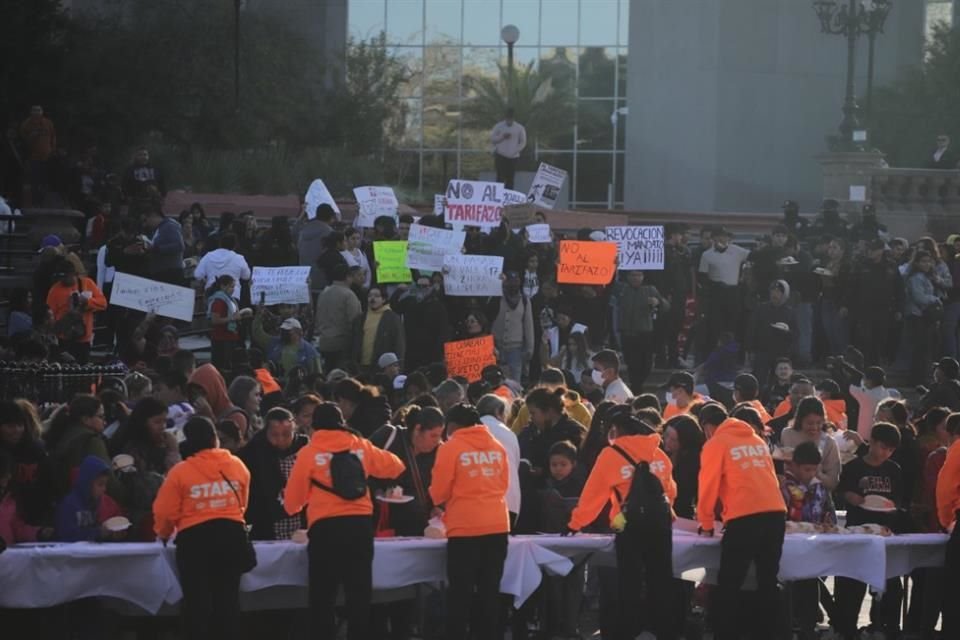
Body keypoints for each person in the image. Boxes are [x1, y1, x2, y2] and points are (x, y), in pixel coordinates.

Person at [283, 402, 405, 640]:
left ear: (315, 426)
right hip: (360, 527)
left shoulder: (309, 453)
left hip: (325, 529)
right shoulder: (360, 446)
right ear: (342, 423)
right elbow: (396, 466)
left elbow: (292, 503)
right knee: (359, 596)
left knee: (322, 598)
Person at [568, 413, 678, 640]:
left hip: (628, 524)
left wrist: (576, 523)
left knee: (630, 581)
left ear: (617, 431)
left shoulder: (610, 455)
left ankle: (629, 630)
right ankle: (665, 630)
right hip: (661, 523)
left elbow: (593, 495)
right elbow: (670, 491)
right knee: (661, 578)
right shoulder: (659, 454)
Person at [153, 416, 252, 640]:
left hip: (196, 542)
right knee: (228, 603)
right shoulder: (237, 465)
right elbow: (242, 503)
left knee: (197, 605)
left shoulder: (180, 472)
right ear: (214, 438)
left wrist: (164, 533)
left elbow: (165, 512)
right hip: (232, 536)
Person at [697, 416, 786, 640]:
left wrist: (706, 523)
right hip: (776, 513)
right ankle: (770, 634)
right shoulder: (757, 441)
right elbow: (771, 479)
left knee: (729, 582)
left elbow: (707, 485)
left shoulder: (716, 443)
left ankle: (725, 634)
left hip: (745, 517)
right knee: (768, 580)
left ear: (709, 428)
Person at [429, 403, 510, 640]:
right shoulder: (497, 446)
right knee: (489, 592)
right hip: (497, 525)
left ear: (452, 425)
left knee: (460, 595)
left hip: (464, 528)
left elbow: (439, 492)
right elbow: (503, 485)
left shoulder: (450, 447)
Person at [834, 423, 904, 639]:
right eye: (882, 447)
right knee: (852, 584)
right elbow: (841, 491)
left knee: (891, 584)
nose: (885, 453)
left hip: (884, 533)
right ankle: (846, 629)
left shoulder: (894, 470)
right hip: (858, 530)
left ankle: (886, 627)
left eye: (890, 450)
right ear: (871, 442)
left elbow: (900, 500)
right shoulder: (854, 467)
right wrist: (850, 496)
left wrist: (893, 505)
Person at [780, 441, 837, 640]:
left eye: (814, 469)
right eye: (806, 469)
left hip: (813, 545)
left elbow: (829, 512)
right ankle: (790, 625)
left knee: (811, 582)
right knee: (790, 587)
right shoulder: (784, 486)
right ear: (793, 466)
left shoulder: (820, 487)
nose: (810, 473)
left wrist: (828, 521)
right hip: (789, 547)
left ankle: (808, 625)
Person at [238, 407, 308, 540]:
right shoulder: (252, 454)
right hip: (267, 528)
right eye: (275, 435)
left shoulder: (306, 450)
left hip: (302, 528)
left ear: (295, 431)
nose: (281, 440)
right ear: (266, 433)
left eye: (287, 434)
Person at [45, 256, 107, 363]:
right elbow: (49, 315)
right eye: (61, 277)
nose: (63, 279)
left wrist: (87, 302)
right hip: (64, 338)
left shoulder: (87, 283)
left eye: (66, 276)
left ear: (74, 274)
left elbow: (103, 303)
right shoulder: (54, 290)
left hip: (83, 338)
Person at [698, 227, 749, 351]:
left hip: (733, 292)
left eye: (725, 236)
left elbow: (753, 258)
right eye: (719, 236)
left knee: (733, 325)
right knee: (715, 326)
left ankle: (733, 356)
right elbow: (702, 277)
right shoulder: (707, 255)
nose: (722, 239)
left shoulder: (737, 251)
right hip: (716, 292)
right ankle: (714, 355)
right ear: (713, 238)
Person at [617, 270, 669, 393]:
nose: (636, 278)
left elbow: (666, 306)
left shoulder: (650, 289)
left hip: (645, 334)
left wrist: (658, 302)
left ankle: (638, 386)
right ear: (628, 277)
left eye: (638, 275)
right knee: (632, 365)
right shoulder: (622, 289)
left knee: (646, 364)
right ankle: (636, 389)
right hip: (628, 334)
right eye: (633, 275)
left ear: (643, 277)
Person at [55, 455, 124, 542]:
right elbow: (66, 536)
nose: (104, 489)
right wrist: (97, 533)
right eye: (100, 484)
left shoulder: (103, 503)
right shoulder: (69, 505)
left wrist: (114, 533)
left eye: (105, 484)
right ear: (87, 483)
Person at [390, 275, 451, 371]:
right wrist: (399, 291)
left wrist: (439, 352)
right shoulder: (410, 301)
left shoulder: (438, 305)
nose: (422, 289)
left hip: (430, 351)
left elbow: (443, 330)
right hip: (412, 350)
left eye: (425, 286)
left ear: (431, 287)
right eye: (419, 286)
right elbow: (394, 306)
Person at [477, 394, 523, 522]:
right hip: (510, 503)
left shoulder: (468, 431)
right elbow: (515, 465)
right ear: (498, 412)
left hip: (479, 504)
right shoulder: (510, 434)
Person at [779, 396, 841, 490]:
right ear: (800, 420)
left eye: (819, 423)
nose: (815, 427)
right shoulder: (787, 434)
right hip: (789, 492)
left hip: (816, 497)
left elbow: (833, 482)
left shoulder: (829, 443)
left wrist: (816, 473)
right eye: (810, 423)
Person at [111, 397, 180, 476]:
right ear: (143, 423)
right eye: (157, 422)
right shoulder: (133, 450)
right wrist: (173, 451)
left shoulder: (162, 442)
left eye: (164, 421)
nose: (163, 426)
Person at [904, 250, 944, 385]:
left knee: (925, 348)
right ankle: (915, 379)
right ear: (916, 263)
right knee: (919, 349)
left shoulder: (927, 277)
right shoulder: (915, 278)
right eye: (923, 261)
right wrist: (935, 299)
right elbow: (919, 297)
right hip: (917, 316)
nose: (927, 264)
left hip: (926, 317)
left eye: (928, 261)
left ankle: (920, 377)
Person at [746, 280, 794, 389]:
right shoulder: (761, 309)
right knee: (759, 381)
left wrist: (787, 332)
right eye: (773, 291)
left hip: (781, 354)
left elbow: (795, 335)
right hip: (762, 352)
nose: (775, 294)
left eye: (778, 291)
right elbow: (752, 329)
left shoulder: (789, 312)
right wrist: (749, 349)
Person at [315, 263, 362, 371]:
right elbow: (355, 322)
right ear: (348, 277)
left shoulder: (324, 293)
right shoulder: (349, 295)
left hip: (324, 342)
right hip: (342, 343)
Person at [492, 271, 535, 384]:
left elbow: (528, 325)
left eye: (515, 282)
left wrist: (530, 348)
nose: (513, 285)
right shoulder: (496, 298)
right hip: (496, 347)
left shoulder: (525, 301)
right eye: (510, 282)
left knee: (514, 383)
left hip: (516, 350)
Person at [354, 285, 405, 374]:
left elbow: (399, 344)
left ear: (384, 299)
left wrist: (397, 368)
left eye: (377, 296)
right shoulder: (361, 317)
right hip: (360, 366)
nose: (372, 298)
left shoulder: (392, 318)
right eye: (370, 296)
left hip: (382, 367)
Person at [662, 414, 704, 519]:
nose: (667, 441)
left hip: (682, 515)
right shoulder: (658, 450)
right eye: (666, 435)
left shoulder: (695, 462)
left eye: (673, 440)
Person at [206, 275, 251, 373]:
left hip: (230, 337)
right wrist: (233, 318)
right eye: (231, 287)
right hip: (221, 339)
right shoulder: (219, 301)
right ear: (223, 286)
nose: (233, 289)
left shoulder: (229, 299)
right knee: (222, 368)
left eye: (234, 287)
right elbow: (215, 320)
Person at [193, 233, 251, 299]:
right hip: (233, 295)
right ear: (235, 245)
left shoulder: (208, 256)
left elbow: (197, 275)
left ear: (220, 244)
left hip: (211, 294)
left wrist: (206, 280)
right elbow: (246, 276)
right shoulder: (239, 258)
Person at [298, 204, 335, 290]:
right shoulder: (329, 233)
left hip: (303, 277)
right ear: (331, 217)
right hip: (322, 279)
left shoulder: (304, 229)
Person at [144, 208, 185, 285]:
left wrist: (156, 248)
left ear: (153, 216)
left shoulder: (169, 226)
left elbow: (179, 245)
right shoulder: (160, 228)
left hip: (170, 273)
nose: (146, 223)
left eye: (146, 220)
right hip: (162, 273)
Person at [490, 107, 527, 190]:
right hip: (500, 156)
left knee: (510, 179)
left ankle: (508, 199)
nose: (509, 121)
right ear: (505, 118)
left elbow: (523, 142)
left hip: (513, 157)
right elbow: (492, 139)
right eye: (507, 119)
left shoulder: (519, 128)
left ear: (513, 119)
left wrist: (515, 151)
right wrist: (502, 137)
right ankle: (498, 197)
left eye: (511, 119)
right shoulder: (498, 126)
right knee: (500, 178)